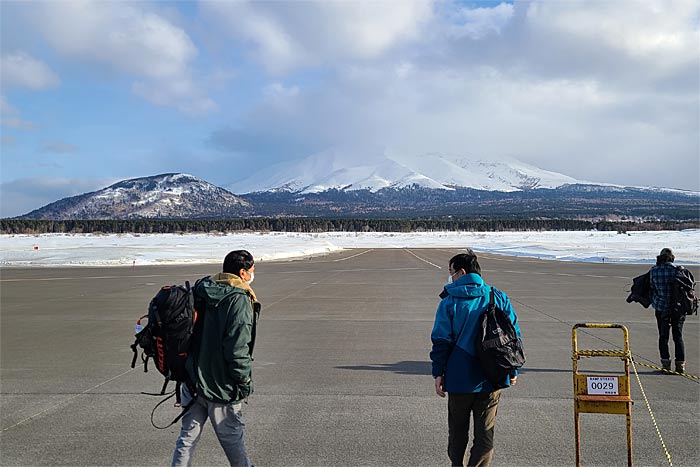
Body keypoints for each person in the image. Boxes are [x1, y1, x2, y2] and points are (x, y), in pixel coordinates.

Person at [430, 251, 521, 467]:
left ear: (462, 272)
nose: (450, 277)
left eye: (451, 272)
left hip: (459, 379)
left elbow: (441, 340)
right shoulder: (497, 297)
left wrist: (438, 372)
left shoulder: (449, 302)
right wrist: (512, 371)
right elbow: (513, 337)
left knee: (457, 431)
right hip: (492, 377)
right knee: (485, 433)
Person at [172, 250, 261, 467]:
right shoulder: (239, 299)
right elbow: (237, 348)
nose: (252, 275)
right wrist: (243, 381)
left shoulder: (202, 289)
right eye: (251, 271)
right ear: (242, 272)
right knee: (233, 440)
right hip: (222, 386)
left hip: (192, 380)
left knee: (187, 438)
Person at [650, 247, 685, 373]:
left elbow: (652, 287)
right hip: (677, 308)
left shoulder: (654, 271)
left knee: (663, 336)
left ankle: (665, 364)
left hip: (661, 308)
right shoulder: (678, 271)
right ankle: (680, 365)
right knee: (678, 336)